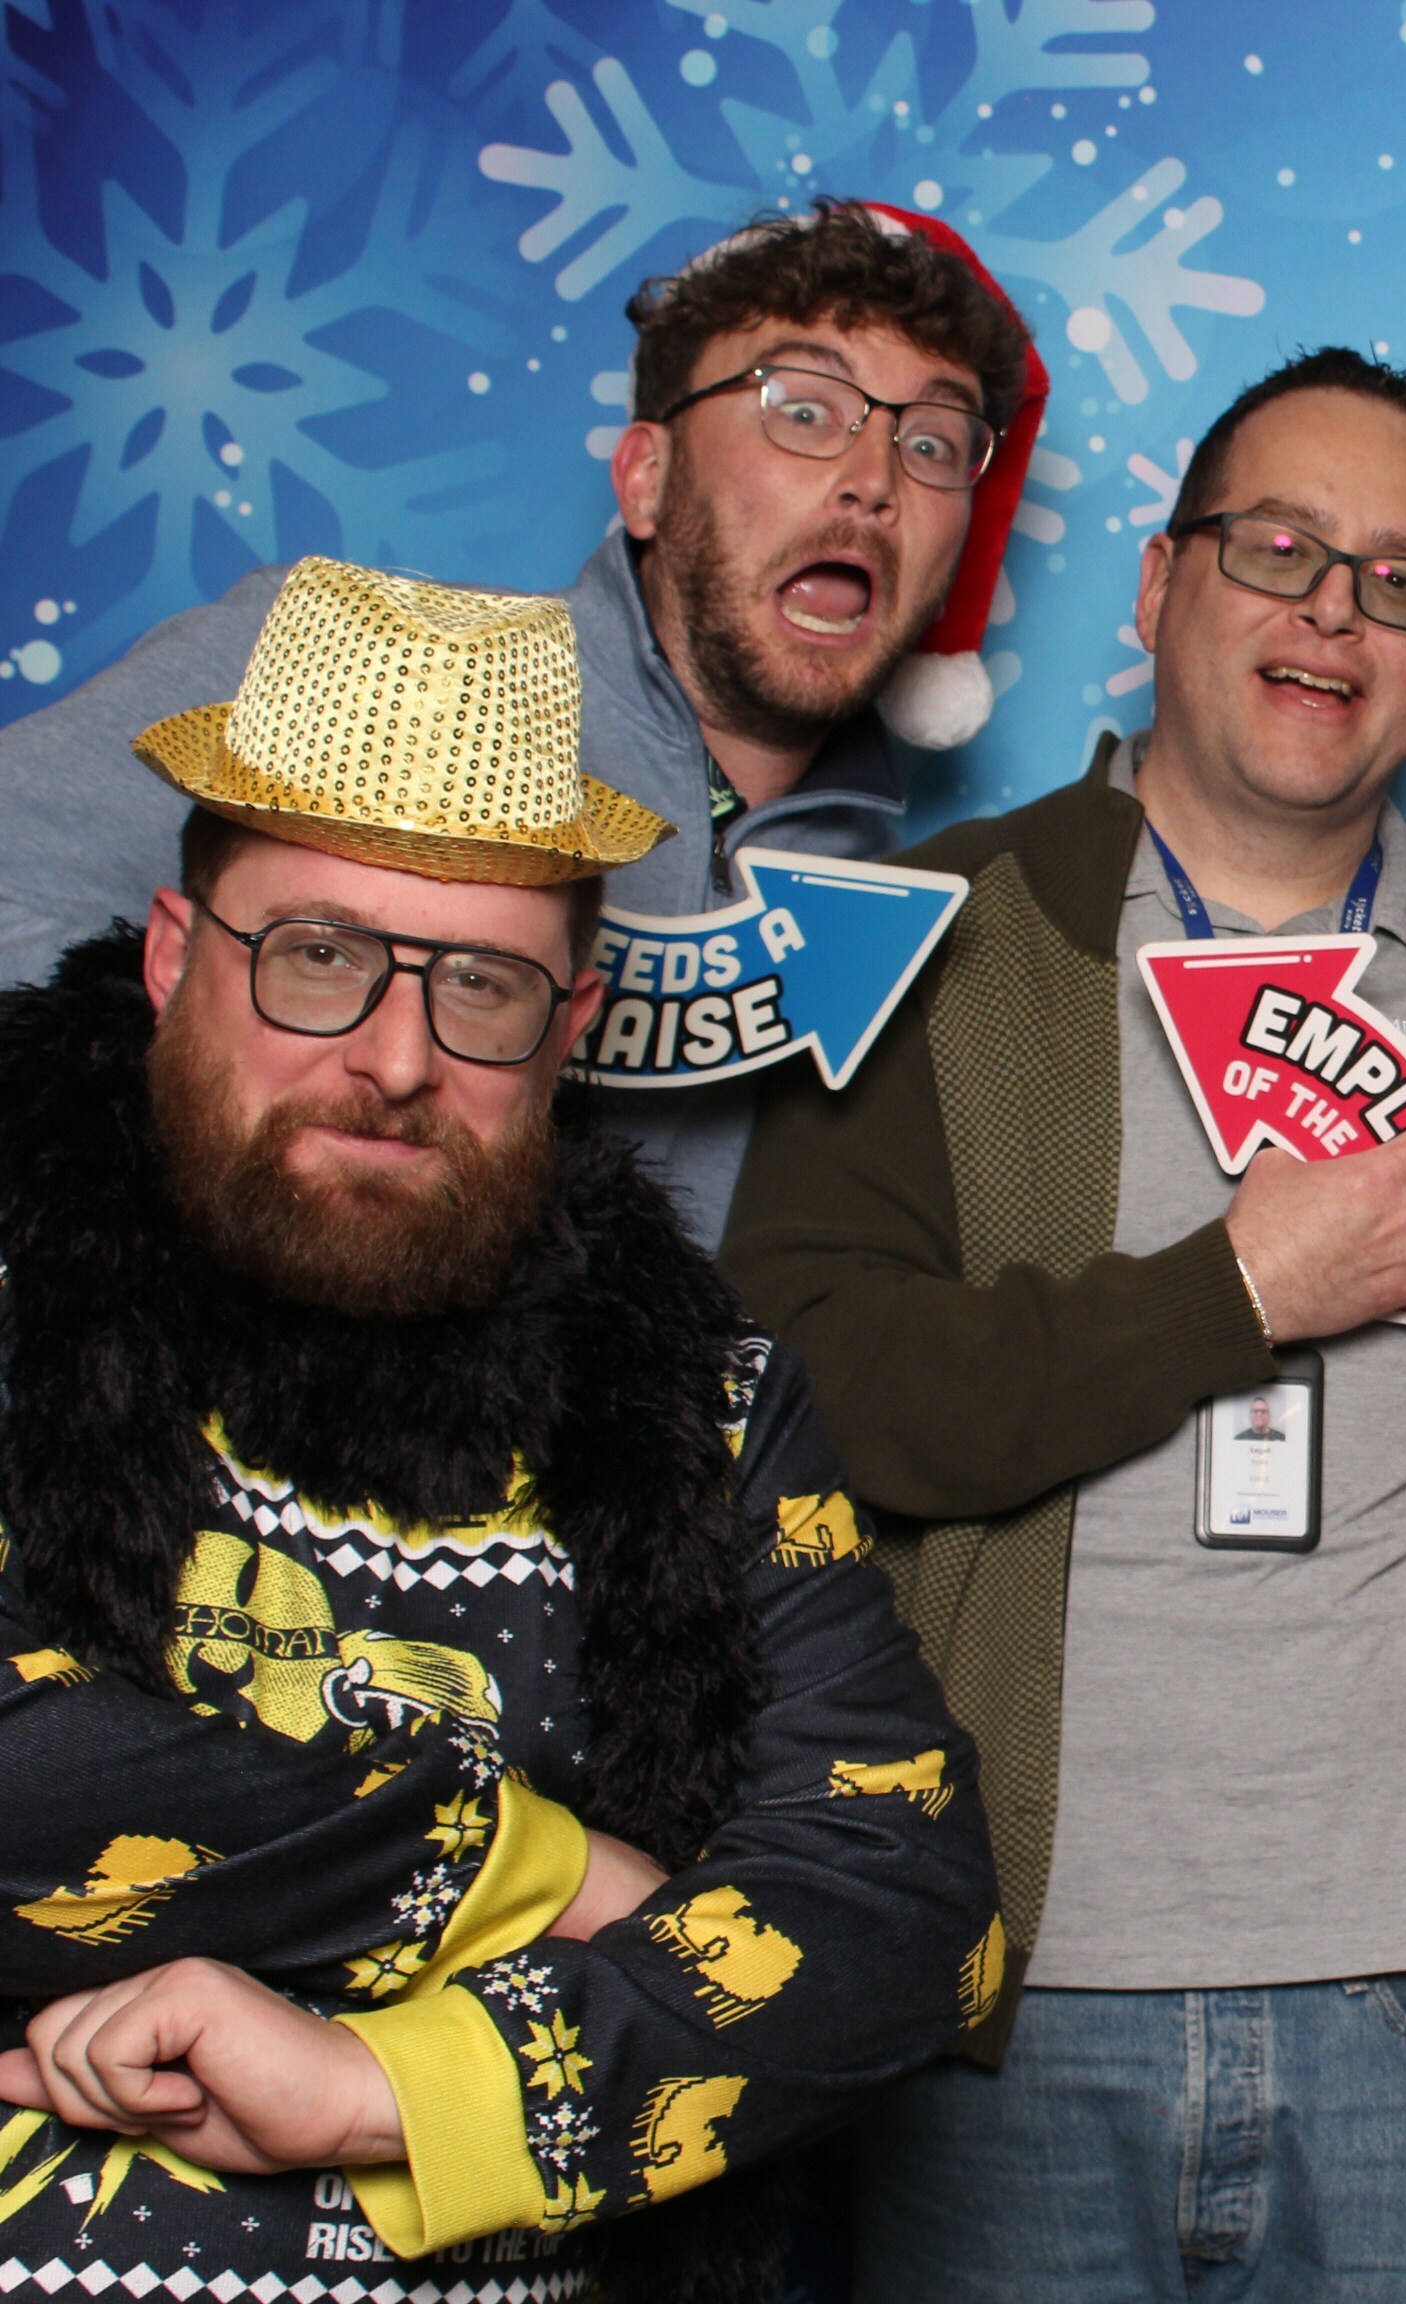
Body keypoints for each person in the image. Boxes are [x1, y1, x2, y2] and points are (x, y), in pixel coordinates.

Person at [719, 345, 1406, 2303]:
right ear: (1157, 584)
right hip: (1012, 1993)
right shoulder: (932, 936)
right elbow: (811, 1397)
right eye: (1280, 547)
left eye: (1401, 579)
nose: (1335, 612)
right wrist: (1238, 1291)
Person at [0, 557, 997, 2303]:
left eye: (479, 986)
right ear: (171, 958)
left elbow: (910, 1914)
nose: (395, 1058)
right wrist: (528, 1872)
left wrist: (381, 2087)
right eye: (318, 955)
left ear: (572, 1026)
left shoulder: (704, 1400)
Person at [0, 198, 1045, 1242]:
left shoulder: (922, 909)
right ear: (648, 478)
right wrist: (249, 1173)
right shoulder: (351, 672)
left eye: (934, 442)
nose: (873, 483)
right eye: (805, 411)